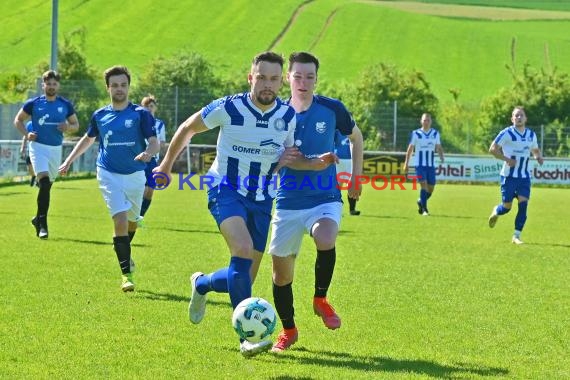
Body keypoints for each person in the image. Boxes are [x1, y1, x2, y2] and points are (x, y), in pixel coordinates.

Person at [154, 51, 304, 357]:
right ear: (251, 77)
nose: (267, 84)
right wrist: (166, 166)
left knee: (243, 277)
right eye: (261, 77)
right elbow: (187, 128)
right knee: (242, 250)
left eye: (274, 79)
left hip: (263, 198)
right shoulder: (229, 107)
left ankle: (202, 284)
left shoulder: (288, 117)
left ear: (282, 82)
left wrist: (287, 161)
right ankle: (246, 338)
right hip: (224, 187)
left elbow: (283, 157)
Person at [268, 51, 364, 353]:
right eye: (297, 76)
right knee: (281, 274)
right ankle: (289, 330)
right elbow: (281, 160)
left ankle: (320, 299)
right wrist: (311, 162)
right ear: (288, 78)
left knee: (325, 235)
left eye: (309, 76)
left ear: (316, 79)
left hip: (325, 197)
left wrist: (356, 177)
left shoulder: (332, 109)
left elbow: (356, 138)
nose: (303, 82)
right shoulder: (276, 114)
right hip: (287, 201)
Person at [58, 65, 159, 291]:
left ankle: (125, 253)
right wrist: (68, 160)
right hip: (107, 173)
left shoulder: (140, 114)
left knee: (133, 221)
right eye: (114, 85)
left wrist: (149, 153)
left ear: (128, 87)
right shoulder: (100, 115)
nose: (119, 89)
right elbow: (87, 139)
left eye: (123, 85)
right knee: (120, 221)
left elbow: (154, 141)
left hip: (135, 174)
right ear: (108, 88)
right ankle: (127, 274)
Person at [13, 70, 79, 239]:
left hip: (55, 149)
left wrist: (68, 127)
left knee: (47, 187)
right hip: (38, 147)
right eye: (48, 83)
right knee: (42, 180)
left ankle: (37, 218)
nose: (51, 86)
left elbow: (75, 125)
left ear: (58, 86)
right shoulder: (33, 103)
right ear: (43, 85)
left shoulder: (65, 104)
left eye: (54, 84)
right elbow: (18, 120)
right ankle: (43, 225)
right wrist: (27, 135)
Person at [487, 106, 544, 244]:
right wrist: (507, 160)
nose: (518, 118)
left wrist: (538, 157)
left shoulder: (531, 135)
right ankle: (497, 210)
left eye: (521, 115)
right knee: (507, 207)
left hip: (524, 177)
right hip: (508, 176)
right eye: (516, 116)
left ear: (525, 118)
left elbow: (535, 149)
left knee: (523, 205)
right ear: (512, 119)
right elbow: (492, 149)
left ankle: (516, 236)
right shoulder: (506, 133)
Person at [403, 112, 444, 216]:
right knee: (424, 186)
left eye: (428, 120)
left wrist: (441, 156)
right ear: (421, 121)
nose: (426, 122)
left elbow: (438, 147)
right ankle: (425, 210)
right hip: (419, 165)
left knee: (431, 188)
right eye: (424, 120)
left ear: (431, 122)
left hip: (430, 165)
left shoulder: (435, 133)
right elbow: (410, 149)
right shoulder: (416, 133)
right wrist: (406, 163)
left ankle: (421, 201)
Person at [139, 95, 167, 221]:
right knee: (142, 189)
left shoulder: (160, 124)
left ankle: (140, 217)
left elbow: (162, 142)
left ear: (155, 108)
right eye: (146, 106)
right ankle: (135, 216)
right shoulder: (139, 121)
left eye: (151, 106)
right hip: (140, 160)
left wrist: (156, 146)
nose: (149, 108)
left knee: (150, 191)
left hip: (153, 160)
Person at [334, 129, 360, 215]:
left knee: (352, 184)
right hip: (339, 160)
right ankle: (334, 210)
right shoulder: (337, 130)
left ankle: (352, 209)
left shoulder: (353, 129)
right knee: (337, 186)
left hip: (351, 161)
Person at [20, 121, 37, 187]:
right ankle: (33, 176)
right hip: (30, 150)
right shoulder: (29, 124)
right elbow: (25, 137)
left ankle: (38, 181)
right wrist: (22, 148)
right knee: (29, 168)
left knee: (38, 167)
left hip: (39, 150)